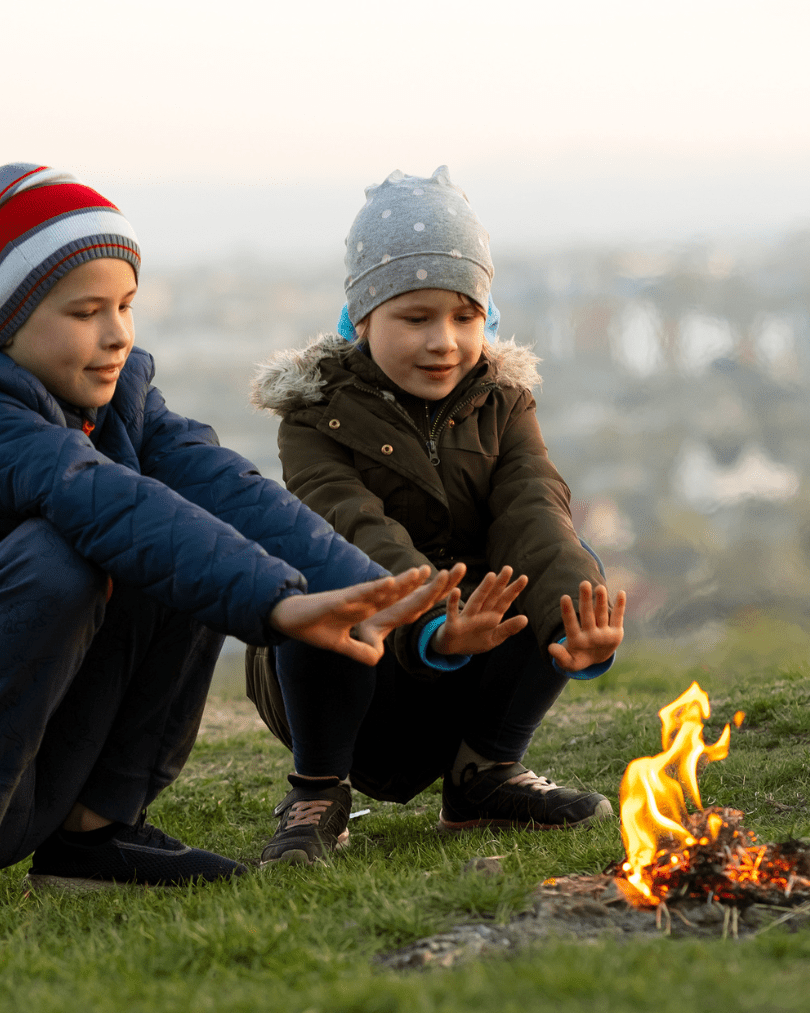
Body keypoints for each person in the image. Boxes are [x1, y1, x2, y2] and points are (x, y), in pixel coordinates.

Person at [0, 163, 463, 891]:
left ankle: (94, 835)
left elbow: (228, 489)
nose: (118, 334)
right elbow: (98, 496)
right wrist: (273, 601)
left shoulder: (124, 403)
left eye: (126, 305)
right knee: (61, 558)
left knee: (184, 536)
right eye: (86, 312)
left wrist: (369, 592)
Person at [247, 166, 627, 865]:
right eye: (414, 317)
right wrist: (431, 619)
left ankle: (484, 774)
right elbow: (351, 524)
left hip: (467, 658)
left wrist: (577, 617)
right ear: (363, 318)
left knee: (557, 570)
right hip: (360, 687)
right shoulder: (312, 413)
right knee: (315, 573)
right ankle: (318, 791)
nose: (443, 341)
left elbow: (533, 508)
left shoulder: (504, 402)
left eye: (465, 315)